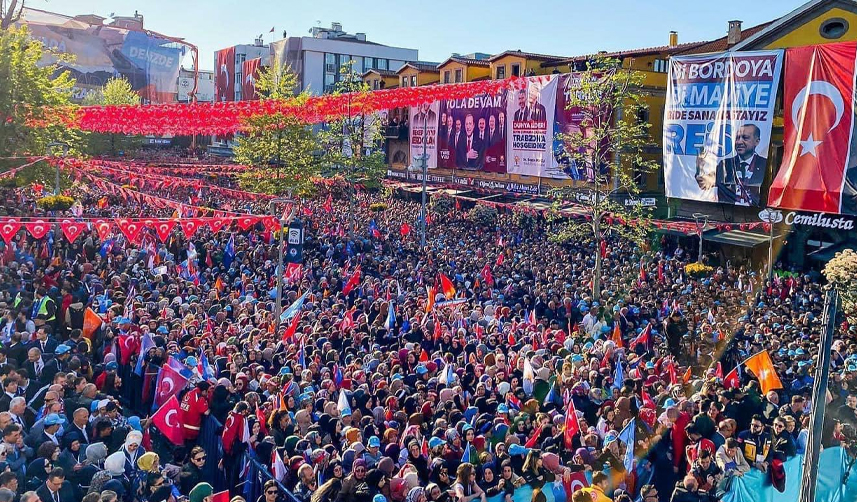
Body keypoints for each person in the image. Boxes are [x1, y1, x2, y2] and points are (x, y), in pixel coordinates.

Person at [714, 124, 767, 206]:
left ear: (757, 141)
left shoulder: (765, 165)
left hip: (755, 215)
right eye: (737, 138)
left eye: (745, 138)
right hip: (727, 214)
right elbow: (706, 185)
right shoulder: (725, 164)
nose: (739, 142)